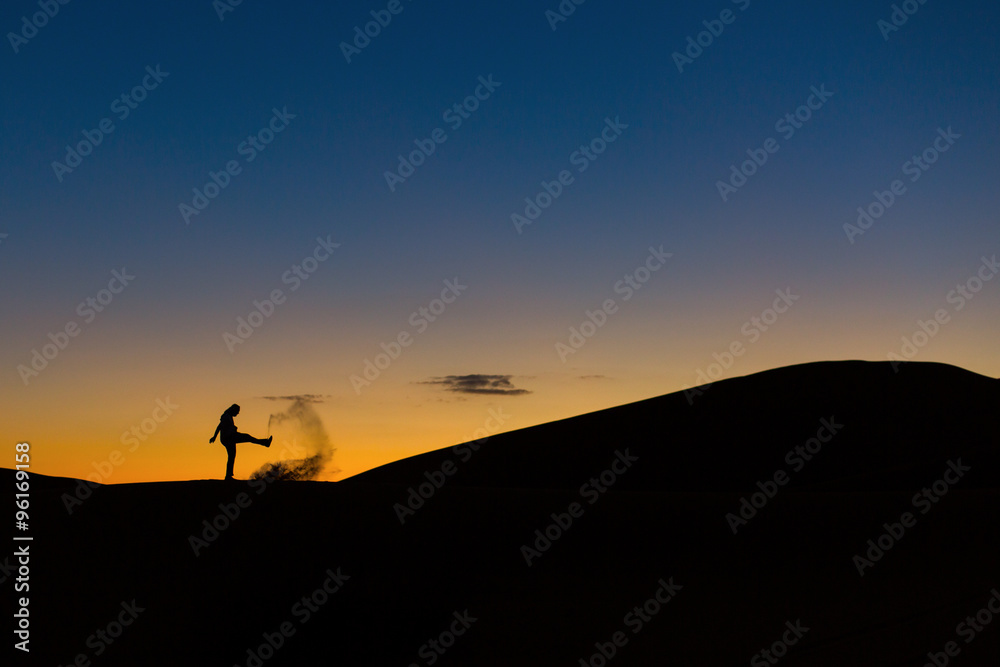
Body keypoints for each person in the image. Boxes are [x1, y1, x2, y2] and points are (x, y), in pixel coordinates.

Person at [209, 403, 271, 480]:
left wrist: (215, 437)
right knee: (247, 437)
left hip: (229, 437)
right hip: (229, 438)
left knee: (232, 456)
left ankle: (228, 476)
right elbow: (220, 426)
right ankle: (265, 442)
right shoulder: (226, 416)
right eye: (237, 411)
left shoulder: (228, 416)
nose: (238, 413)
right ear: (233, 410)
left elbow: (222, 426)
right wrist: (214, 437)